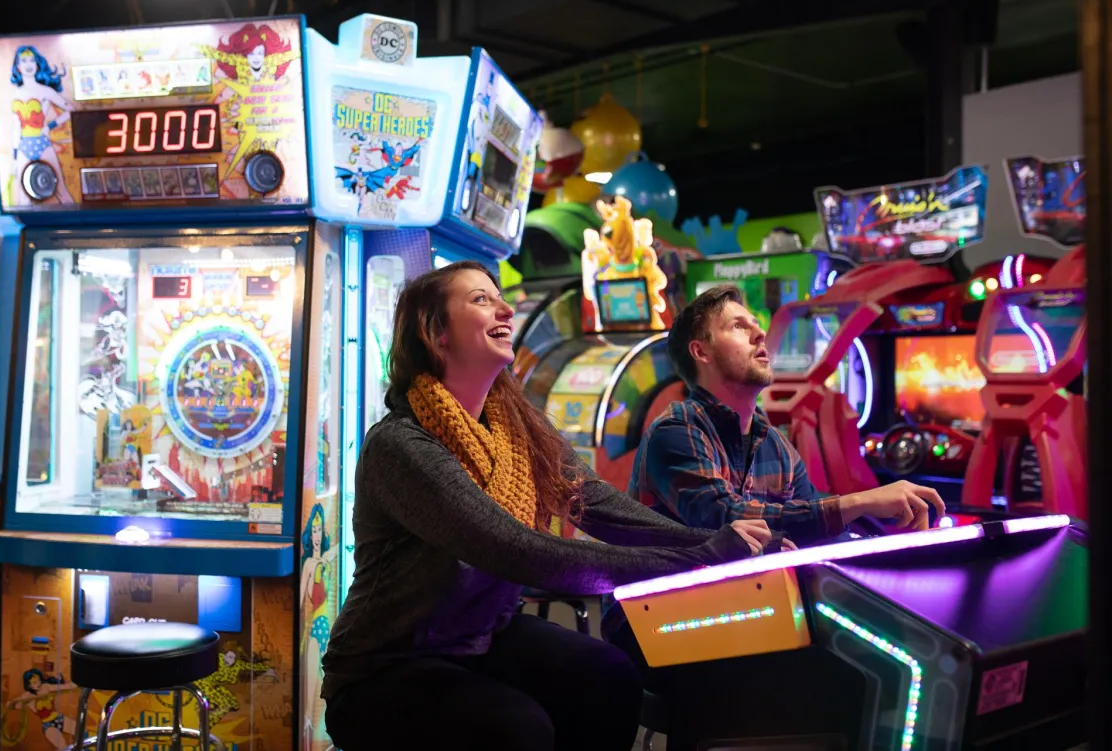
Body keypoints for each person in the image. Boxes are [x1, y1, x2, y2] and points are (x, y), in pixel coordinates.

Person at [321, 262, 777, 751]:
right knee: (518, 728)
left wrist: (716, 544)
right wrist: (697, 559)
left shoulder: (518, 428)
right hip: (385, 664)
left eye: (500, 298)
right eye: (480, 300)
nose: (503, 308)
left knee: (609, 677)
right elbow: (518, 551)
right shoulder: (402, 444)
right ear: (435, 333)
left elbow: (597, 503)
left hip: (481, 637)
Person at [629, 283, 947, 545]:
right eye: (738, 327)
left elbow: (817, 529)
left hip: (743, 607)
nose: (760, 335)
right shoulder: (676, 430)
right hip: (658, 617)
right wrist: (862, 501)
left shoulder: (774, 444)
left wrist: (894, 545)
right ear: (701, 352)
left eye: (757, 325)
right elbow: (722, 518)